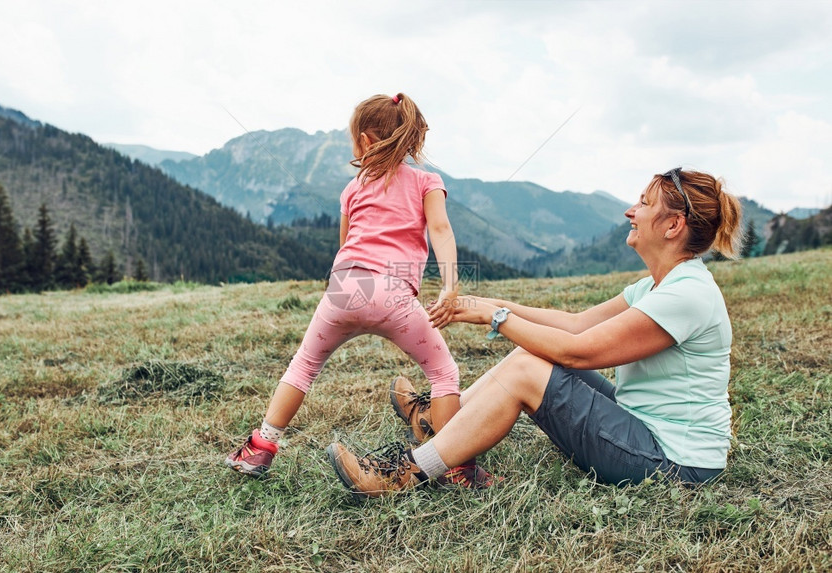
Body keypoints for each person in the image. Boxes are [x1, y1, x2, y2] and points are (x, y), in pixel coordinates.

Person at [327, 167, 743, 497]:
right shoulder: (657, 285)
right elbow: (576, 323)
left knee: (529, 370)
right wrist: (486, 305)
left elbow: (577, 352)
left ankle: (407, 473)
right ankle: (437, 426)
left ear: (673, 226)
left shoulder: (686, 294)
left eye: (643, 203)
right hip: (645, 426)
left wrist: (498, 320)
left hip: (675, 463)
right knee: (530, 357)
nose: (630, 211)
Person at [225, 92, 493, 486]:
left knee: (303, 365)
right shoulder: (426, 182)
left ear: (366, 141)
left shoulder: (352, 189)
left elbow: (345, 243)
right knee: (443, 373)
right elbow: (440, 229)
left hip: (342, 289)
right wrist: (450, 285)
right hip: (394, 295)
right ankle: (457, 466)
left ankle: (261, 447)